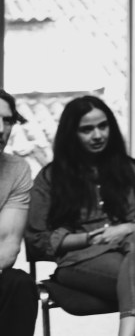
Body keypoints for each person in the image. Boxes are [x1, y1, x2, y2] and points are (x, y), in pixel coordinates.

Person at [26, 95, 135, 336]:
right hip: (78, 260)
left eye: (103, 126)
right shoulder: (50, 178)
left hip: (130, 254)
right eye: (87, 129)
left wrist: (126, 228)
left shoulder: (130, 169)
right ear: (71, 134)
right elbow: (37, 239)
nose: (98, 135)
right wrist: (89, 238)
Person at [0, 89, 37, 336]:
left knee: (19, 284)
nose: (0, 129)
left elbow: (7, 246)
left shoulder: (16, 170)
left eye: (7, 120)